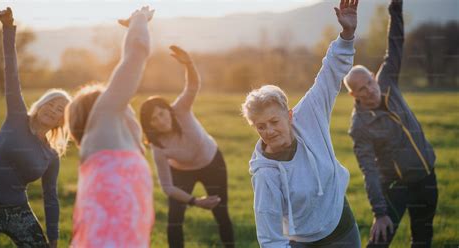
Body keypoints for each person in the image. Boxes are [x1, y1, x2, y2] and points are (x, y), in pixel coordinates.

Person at [241, 0, 361, 247]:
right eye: (260, 126)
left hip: (342, 226)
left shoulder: (309, 115)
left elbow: (329, 74)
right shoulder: (265, 175)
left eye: (274, 121)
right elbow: (270, 236)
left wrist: (347, 34)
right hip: (302, 241)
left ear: (290, 115)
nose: (269, 131)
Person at [343, 0, 438, 247]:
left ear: (375, 78)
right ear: (354, 95)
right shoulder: (359, 126)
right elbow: (369, 171)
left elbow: (395, 43)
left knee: (423, 238)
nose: (370, 90)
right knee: (379, 243)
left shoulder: (387, 81)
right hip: (397, 187)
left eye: (370, 83)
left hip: (427, 176)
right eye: (362, 89)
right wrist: (379, 212)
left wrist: (395, 8)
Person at [65, 6, 155, 247]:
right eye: (121, 100)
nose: (127, 104)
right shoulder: (104, 124)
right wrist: (139, 19)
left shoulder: (124, 146)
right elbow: (137, 53)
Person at [0, 7, 71, 248]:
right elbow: (11, 72)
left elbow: (51, 199)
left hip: (17, 209)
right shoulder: (16, 117)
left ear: (61, 122)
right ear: (42, 104)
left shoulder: (51, 155)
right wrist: (8, 28)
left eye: (60, 111)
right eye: (52, 104)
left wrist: (53, 240)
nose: (54, 111)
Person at [139, 46, 234, 248]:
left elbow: (192, 85)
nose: (161, 120)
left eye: (161, 113)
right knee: (174, 220)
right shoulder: (158, 147)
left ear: (168, 110)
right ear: (150, 126)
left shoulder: (180, 109)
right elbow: (167, 187)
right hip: (181, 172)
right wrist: (195, 201)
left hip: (212, 163)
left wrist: (188, 64)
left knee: (221, 212)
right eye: (154, 120)